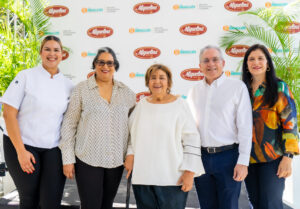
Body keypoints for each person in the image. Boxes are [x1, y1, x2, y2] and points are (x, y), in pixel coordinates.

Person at [1, 35, 73, 209]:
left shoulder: (68, 85)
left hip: (53, 148)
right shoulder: (26, 76)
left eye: (56, 50)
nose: (52, 54)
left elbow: (69, 122)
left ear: (62, 54)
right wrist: (21, 151)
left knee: (51, 201)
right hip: (23, 145)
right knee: (29, 198)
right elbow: (8, 114)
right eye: (47, 49)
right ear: (40, 52)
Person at [59, 47, 136, 209]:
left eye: (110, 63)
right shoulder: (81, 90)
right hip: (87, 160)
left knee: (107, 205)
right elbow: (69, 125)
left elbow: (133, 130)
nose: (105, 66)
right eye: (101, 62)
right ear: (94, 64)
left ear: (115, 66)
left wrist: (130, 154)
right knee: (90, 205)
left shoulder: (127, 93)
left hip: (115, 162)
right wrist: (68, 160)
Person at [124, 64, 204, 209]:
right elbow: (131, 135)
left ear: (169, 82)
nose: (157, 81)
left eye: (162, 78)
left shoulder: (180, 105)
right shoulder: (141, 105)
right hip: (143, 177)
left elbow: (192, 139)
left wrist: (190, 172)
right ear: (148, 82)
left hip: (173, 179)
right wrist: (130, 155)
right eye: (153, 78)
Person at [187, 45, 253, 209]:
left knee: (229, 206)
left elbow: (245, 127)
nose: (211, 64)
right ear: (200, 66)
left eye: (215, 59)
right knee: (206, 206)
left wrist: (243, 161)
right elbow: (190, 129)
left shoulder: (237, 88)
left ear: (223, 63)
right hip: (201, 158)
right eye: (206, 61)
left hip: (229, 158)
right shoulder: (193, 91)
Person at [241, 44, 299, 209]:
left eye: (260, 58)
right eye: (251, 59)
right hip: (248, 158)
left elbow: (290, 123)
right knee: (255, 203)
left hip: (273, 159)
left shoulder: (279, 88)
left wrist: (288, 157)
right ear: (246, 64)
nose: (256, 62)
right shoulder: (241, 90)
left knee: (271, 204)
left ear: (267, 63)